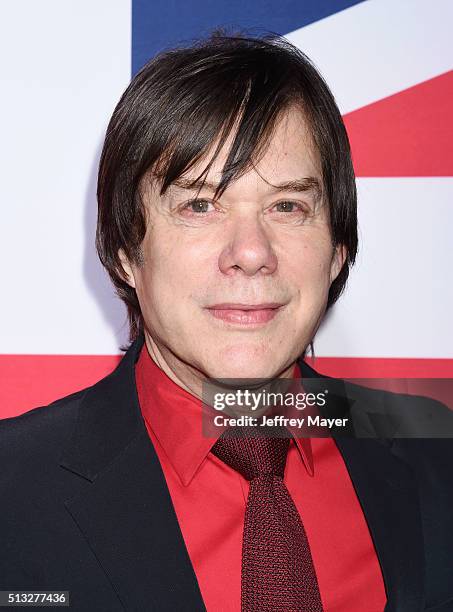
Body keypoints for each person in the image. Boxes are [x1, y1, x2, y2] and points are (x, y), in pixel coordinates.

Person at [1, 32, 453, 612]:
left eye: (287, 206)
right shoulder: (12, 494)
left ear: (338, 248)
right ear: (123, 251)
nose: (250, 251)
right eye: (199, 205)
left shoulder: (435, 452)